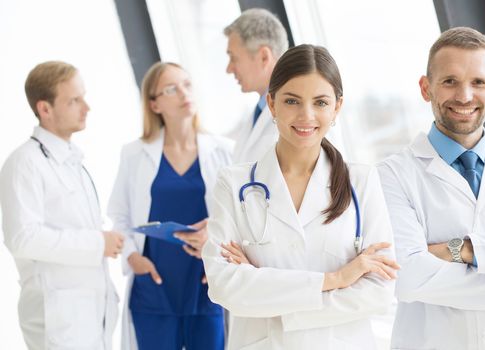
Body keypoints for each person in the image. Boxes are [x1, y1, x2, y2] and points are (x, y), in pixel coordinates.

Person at [203, 44, 399, 350]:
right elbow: (225, 287)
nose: (306, 116)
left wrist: (269, 291)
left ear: (337, 107)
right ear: (272, 103)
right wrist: (337, 279)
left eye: (320, 102)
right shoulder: (234, 184)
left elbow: (378, 292)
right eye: (292, 101)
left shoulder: (361, 181)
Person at [377, 27, 485, 349]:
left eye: (478, 83)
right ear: (425, 87)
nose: (465, 96)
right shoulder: (392, 175)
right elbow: (409, 277)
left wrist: (462, 250)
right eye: (450, 81)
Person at [108, 62, 233, 350]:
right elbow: (119, 215)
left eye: (187, 84)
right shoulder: (134, 154)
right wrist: (132, 258)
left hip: (205, 283)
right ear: (154, 104)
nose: (183, 93)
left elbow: (238, 216)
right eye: (171, 89)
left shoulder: (224, 151)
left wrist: (219, 248)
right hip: (154, 284)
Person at [0, 61, 122, 349]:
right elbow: (22, 239)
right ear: (45, 109)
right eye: (74, 100)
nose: (86, 107)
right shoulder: (24, 163)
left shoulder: (72, 162)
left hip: (91, 317)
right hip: (58, 321)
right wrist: (96, 244)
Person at [224, 8, 288, 163]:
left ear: (264, 57)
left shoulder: (300, 108)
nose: (229, 69)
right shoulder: (260, 111)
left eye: (233, 58)